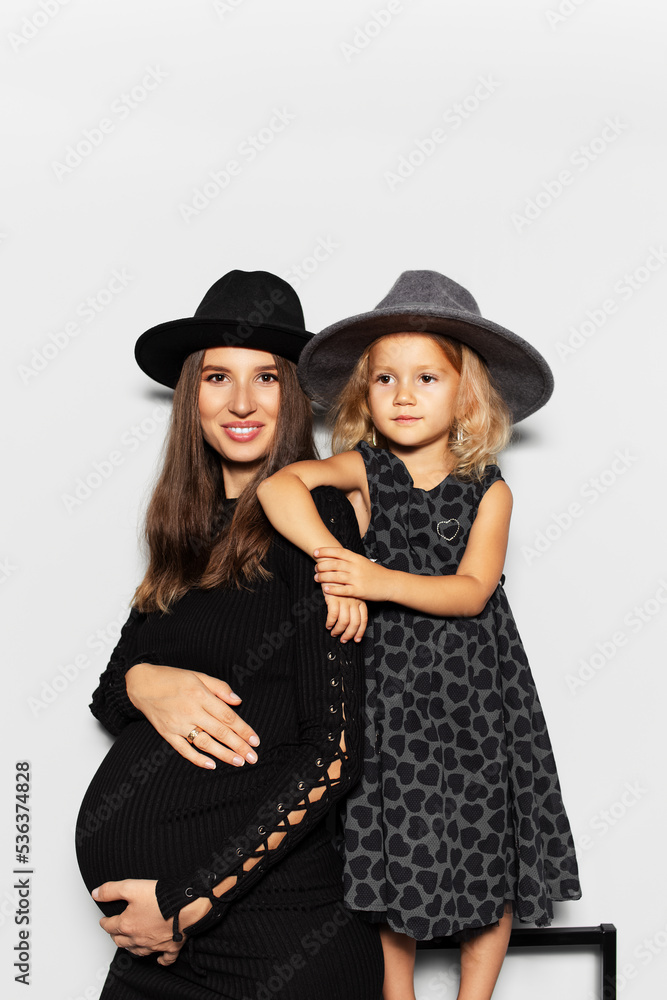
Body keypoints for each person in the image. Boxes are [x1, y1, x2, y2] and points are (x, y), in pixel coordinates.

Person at [256, 270, 582, 1000]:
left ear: (465, 393)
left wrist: (375, 582)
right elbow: (279, 488)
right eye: (385, 379)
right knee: (385, 845)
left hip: (477, 698)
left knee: (483, 847)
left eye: (427, 377)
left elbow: (470, 593)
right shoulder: (364, 469)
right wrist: (333, 558)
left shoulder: (488, 487)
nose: (403, 394)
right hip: (389, 697)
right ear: (362, 395)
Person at [75, 269, 384, 1000]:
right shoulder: (188, 529)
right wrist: (146, 681)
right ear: (193, 396)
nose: (241, 403)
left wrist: (188, 900)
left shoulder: (319, 520)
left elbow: (335, 754)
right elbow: (108, 694)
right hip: (160, 953)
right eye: (218, 377)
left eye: (266, 380)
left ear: (294, 394)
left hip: (267, 947)